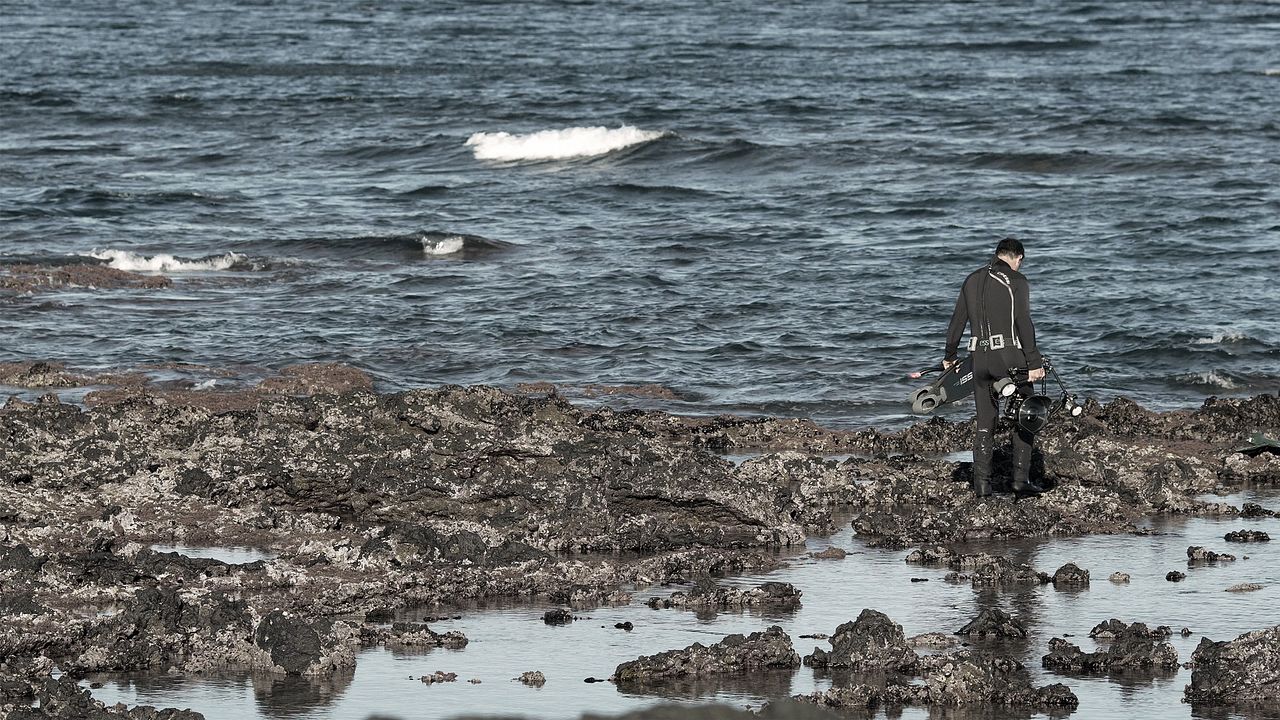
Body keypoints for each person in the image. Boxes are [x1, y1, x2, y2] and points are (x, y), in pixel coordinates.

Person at [943, 238, 1047, 498]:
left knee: (985, 421)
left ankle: (982, 488)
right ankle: (1020, 482)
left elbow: (957, 322)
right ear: (1018, 258)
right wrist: (1034, 363)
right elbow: (1024, 322)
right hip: (1009, 357)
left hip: (979, 358)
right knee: (1027, 413)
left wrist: (950, 356)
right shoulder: (1017, 281)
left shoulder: (972, 279)